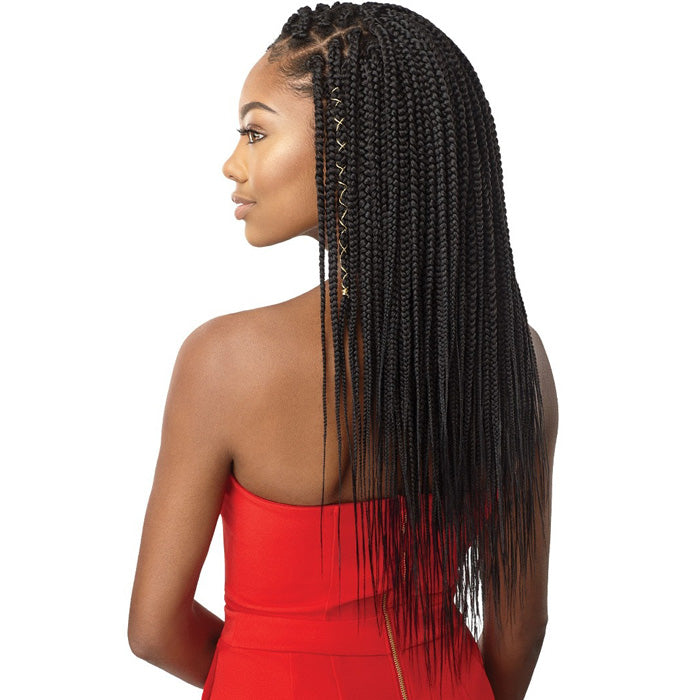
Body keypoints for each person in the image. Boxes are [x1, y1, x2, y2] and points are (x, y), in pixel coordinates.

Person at [127, 3, 558, 699]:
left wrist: (270, 670)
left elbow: (155, 630)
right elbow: (519, 629)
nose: (233, 165)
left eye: (256, 132)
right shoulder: (513, 360)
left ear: (349, 145)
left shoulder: (226, 362)